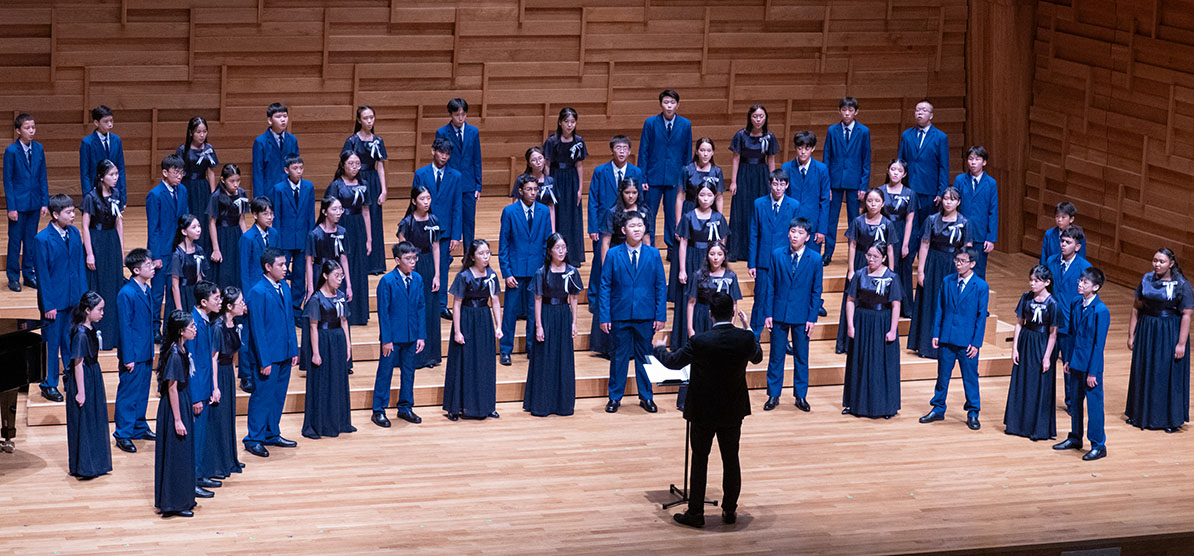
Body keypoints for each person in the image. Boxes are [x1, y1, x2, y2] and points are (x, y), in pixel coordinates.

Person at [653, 292, 761, 529]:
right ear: (732, 313)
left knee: (700, 460)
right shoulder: (744, 339)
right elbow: (758, 357)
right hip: (732, 410)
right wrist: (748, 328)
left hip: (703, 411)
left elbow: (673, 363)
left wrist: (659, 348)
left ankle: (696, 513)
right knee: (731, 460)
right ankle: (730, 510)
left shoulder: (700, 341)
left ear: (710, 313)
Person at [598, 212, 667, 414]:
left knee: (645, 357)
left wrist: (660, 315)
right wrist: (604, 316)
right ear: (623, 230)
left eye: (640, 225)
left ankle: (646, 396)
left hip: (646, 315)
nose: (637, 229)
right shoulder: (613, 254)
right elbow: (605, 286)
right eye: (632, 226)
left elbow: (660, 286)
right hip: (620, 314)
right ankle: (615, 397)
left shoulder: (653, 254)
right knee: (619, 358)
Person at [920, 246, 989, 430]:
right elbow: (940, 309)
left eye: (962, 261)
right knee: (942, 376)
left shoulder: (981, 286)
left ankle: (973, 412)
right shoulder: (947, 281)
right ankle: (938, 408)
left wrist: (976, 343)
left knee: (970, 378)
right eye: (956, 260)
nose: (958, 264)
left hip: (967, 342)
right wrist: (936, 333)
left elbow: (981, 317)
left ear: (972, 264)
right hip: (947, 338)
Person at [1125, 248, 1192, 433]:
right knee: (1144, 370)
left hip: (1169, 331)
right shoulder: (1146, 279)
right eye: (1155, 260)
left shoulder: (1181, 284)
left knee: (1165, 374)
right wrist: (1132, 334)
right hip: (1147, 329)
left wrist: (1181, 343)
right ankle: (1139, 414)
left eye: (1161, 261)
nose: (1157, 264)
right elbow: (1136, 307)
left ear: (1170, 263)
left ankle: (1169, 419)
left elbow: (1186, 314)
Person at [242, 248, 300, 458]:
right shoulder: (257, 292)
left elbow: (289, 320)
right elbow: (257, 330)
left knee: (277, 396)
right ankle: (254, 438)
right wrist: (264, 360)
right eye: (281, 265)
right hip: (268, 357)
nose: (286, 268)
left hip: (284, 352)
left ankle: (271, 432)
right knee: (262, 397)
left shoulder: (284, 286)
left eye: (285, 264)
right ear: (268, 267)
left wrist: (294, 348)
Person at [761, 218, 823, 412]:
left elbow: (816, 291)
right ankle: (773, 394)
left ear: (808, 237)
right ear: (788, 233)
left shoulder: (815, 259)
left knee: (801, 357)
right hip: (779, 313)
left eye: (800, 233)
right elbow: (770, 285)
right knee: (776, 356)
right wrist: (768, 313)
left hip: (802, 315)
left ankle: (801, 396)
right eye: (793, 231)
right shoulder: (777, 254)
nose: (795, 235)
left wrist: (812, 318)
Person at [33, 194, 87, 402]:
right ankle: (49, 383)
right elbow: (43, 275)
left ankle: (69, 377)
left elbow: (79, 266)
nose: (73, 215)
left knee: (69, 341)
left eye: (73, 211)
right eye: (68, 212)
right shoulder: (42, 239)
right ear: (55, 215)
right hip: (54, 302)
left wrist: (83, 299)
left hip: (73, 299)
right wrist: (49, 304)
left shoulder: (74, 233)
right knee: (51, 344)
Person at [907, 186, 972, 359]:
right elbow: (925, 245)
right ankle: (926, 347)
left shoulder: (965, 222)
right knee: (931, 303)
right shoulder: (932, 219)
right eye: (946, 198)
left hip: (954, 265)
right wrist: (920, 271)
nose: (948, 202)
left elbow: (967, 249)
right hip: (934, 264)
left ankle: (950, 346)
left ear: (958, 202)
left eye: (952, 199)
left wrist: (964, 271)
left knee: (951, 305)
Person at [591, 179, 652, 358]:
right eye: (627, 193)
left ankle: (636, 347)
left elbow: (647, 239)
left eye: (634, 192)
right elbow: (605, 242)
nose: (631, 196)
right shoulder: (612, 212)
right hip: (617, 259)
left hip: (638, 260)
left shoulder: (644, 211)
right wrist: (606, 267)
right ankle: (610, 346)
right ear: (621, 193)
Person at [1054, 267, 1110, 461]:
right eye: (1080, 281)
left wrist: (1093, 372)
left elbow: (1098, 344)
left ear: (1096, 287)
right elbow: (1071, 334)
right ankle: (1075, 437)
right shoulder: (1076, 302)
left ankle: (1098, 445)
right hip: (1076, 362)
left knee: (1094, 407)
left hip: (1091, 367)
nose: (1080, 284)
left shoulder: (1101, 311)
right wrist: (1068, 359)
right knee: (1075, 404)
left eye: (1085, 282)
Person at [443, 240, 503, 420]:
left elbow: (496, 302)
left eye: (488, 253)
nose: (486, 257)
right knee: (464, 363)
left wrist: (498, 326)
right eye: (481, 253)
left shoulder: (492, 275)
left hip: (484, 320)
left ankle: (487, 405)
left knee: (485, 364)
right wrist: (457, 331)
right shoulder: (464, 277)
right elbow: (457, 305)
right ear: (472, 256)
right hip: (467, 320)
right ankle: (457, 407)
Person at [525, 233, 583, 417]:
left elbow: (574, 298)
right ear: (550, 250)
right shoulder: (542, 272)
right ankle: (543, 404)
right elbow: (538, 300)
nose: (561, 251)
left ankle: (562, 405)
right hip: (548, 316)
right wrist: (539, 326)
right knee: (545, 359)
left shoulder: (572, 271)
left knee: (563, 359)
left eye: (564, 247)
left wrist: (574, 322)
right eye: (557, 247)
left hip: (564, 316)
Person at [680, 242, 741, 410]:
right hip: (702, 317)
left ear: (724, 256)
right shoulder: (698, 275)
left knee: (720, 361)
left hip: (721, 321)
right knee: (698, 359)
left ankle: (717, 399)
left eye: (719, 254)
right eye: (712, 254)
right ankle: (691, 400)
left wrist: (731, 325)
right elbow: (691, 303)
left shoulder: (731, 276)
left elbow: (734, 305)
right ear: (707, 255)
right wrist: (690, 328)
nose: (715, 258)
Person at [835, 189, 897, 353]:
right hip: (861, 260)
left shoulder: (887, 224)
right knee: (854, 301)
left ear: (883, 203)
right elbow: (852, 245)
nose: (873, 204)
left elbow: (890, 249)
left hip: (880, 264)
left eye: (877, 201)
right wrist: (851, 269)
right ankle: (848, 342)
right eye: (870, 201)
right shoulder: (858, 221)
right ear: (865, 202)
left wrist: (890, 271)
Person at [498, 175, 552, 366]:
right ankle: (505, 349)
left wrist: (545, 270)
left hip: (536, 270)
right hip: (516, 271)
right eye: (529, 189)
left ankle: (532, 348)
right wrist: (507, 272)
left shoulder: (544, 211)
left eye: (535, 189)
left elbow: (547, 242)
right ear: (520, 191)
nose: (533, 193)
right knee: (510, 312)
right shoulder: (510, 211)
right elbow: (503, 244)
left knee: (533, 311)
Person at [1004, 265, 1061, 441]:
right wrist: (1014, 348)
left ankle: (1038, 427)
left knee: (1039, 385)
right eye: (1031, 280)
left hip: (1042, 343)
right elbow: (1019, 323)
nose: (1032, 284)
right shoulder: (1026, 298)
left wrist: (1047, 357)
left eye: (1036, 281)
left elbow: (1053, 333)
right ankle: (1018, 425)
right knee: (1022, 382)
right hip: (1026, 341)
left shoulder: (1053, 304)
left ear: (1047, 282)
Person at [372, 243, 426, 427]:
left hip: (411, 336)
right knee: (385, 373)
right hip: (393, 338)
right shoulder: (387, 281)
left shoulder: (418, 278)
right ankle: (378, 409)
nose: (413, 262)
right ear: (397, 260)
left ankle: (405, 407)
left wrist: (421, 335)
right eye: (408, 259)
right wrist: (386, 340)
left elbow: (421, 307)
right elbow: (383, 313)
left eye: (414, 258)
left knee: (409, 372)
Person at [302, 260, 356, 438]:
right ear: (325, 276)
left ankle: (340, 421)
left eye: (342, 276)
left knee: (338, 381)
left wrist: (348, 345)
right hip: (323, 342)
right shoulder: (316, 299)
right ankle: (320, 424)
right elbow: (313, 327)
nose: (340, 279)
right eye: (336, 276)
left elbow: (344, 321)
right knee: (323, 382)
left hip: (338, 340)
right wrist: (316, 352)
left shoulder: (340, 296)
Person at [673, 182, 729, 350]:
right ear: (697, 196)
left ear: (714, 197)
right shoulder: (688, 216)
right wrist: (682, 269)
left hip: (713, 258)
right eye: (702, 195)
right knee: (689, 298)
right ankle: (686, 339)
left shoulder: (719, 218)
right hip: (692, 258)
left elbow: (722, 244)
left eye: (709, 195)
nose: (705, 199)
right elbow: (683, 243)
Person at [154, 310, 199, 518]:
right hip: (175, 406)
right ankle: (173, 502)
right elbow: (171, 388)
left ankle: (183, 497)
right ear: (181, 331)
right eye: (191, 327)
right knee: (176, 454)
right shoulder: (174, 354)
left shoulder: (181, 349)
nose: (194, 329)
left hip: (182, 399)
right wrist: (178, 419)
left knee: (183, 454)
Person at [588, 135, 644, 300]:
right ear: (612, 150)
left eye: (624, 148)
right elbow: (593, 200)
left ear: (630, 151)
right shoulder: (600, 171)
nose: (621, 151)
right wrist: (592, 227)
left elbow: (640, 199)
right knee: (600, 261)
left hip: (626, 222)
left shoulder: (636, 172)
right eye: (618, 148)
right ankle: (594, 297)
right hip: (603, 224)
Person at [113, 249, 158, 453]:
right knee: (128, 394)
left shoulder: (146, 289)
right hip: (133, 354)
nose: (153, 267)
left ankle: (139, 426)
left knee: (142, 393)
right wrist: (128, 357)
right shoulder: (127, 293)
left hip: (145, 351)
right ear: (137, 269)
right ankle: (123, 433)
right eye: (148, 265)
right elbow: (125, 327)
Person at [412, 138, 462, 318]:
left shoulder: (456, 176)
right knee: (421, 266)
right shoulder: (421, 173)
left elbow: (457, 206)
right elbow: (414, 200)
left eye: (447, 154)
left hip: (445, 229)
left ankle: (441, 305)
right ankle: (420, 301)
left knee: (442, 267)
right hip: (423, 227)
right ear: (433, 151)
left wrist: (456, 235)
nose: (444, 156)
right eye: (441, 152)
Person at [1045, 226, 1092, 414]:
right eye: (1062, 241)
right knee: (1046, 360)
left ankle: (1072, 402)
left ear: (1077, 246)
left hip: (1071, 323)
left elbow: (1085, 297)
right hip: (1051, 321)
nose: (1063, 245)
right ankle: (1045, 397)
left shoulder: (1084, 267)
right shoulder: (1051, 261)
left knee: (1069, 365)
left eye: (1068, 242)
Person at [639, 89, 692, 251]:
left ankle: (672, 249)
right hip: (653, 177)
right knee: (649, 215)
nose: (669, 106)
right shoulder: (650, 123)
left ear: (678, 105)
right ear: (661, 104)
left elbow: (687, 152)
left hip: (675, 177)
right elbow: (644, 151)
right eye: (666, 102)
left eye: (672, 103)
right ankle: (650, 248)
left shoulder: (685, 124)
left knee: (673, 215)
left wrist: (687, 178)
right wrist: (643, 178)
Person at [66, 291, 112, 480]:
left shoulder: (90, 329)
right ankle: (84, 466)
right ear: (87, 310)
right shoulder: (81, 334)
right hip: (83, 380)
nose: (102, 313)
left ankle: (96, 464)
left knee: (94, 420)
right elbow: (78, 363)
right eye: (99, 309)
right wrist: (81, 392)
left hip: (93, 375)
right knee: (85, 423)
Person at [821, 97, 871, 265]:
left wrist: (863, 185)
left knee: (853, 220)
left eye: (850, 110)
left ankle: (854, 254)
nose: (847, 113)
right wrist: (825, 184)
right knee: (831, 219)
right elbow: (826, 157)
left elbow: (866, 160)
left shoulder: (863, 131)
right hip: (835, 180)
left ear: (856, 112)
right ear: (839, 111)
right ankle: (828, 253)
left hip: (854, 181)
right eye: (844, 110)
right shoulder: (832, 130)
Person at [748, 170, 799, 335]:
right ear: (770, 184)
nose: (778, 187)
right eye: (775, 183)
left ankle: (781, 338)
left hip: (784, 261)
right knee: (760, 298)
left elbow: (796, 234)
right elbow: (754, 234)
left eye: (782, 184)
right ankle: (754, 335)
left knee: (782, 299)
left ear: (787, 185)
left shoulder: (794, 205)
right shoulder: (759, 203)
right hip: (763, 261)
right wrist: (752, 263)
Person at [397, 186, 443, 368]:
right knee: (412, 309)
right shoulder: (406, 223)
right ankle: (411, 356)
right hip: (412, 266)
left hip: (428, 265)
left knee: (430, 310)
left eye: (428, 198)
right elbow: (402, 252)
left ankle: (429, 356)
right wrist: (408, 272)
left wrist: (437, 274)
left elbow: (437, 248)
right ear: (414, 201)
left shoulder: (434, 220)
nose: (426, 202)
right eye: (422, 199)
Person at [81, 160, 124, 350]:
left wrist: (120, 249)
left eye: (116, 174)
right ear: (101, 177)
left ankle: (112, 336)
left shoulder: (116, 194)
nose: (115, 178)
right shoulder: (91, 197)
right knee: (98, 285)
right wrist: (89, 253)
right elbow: (85, 225)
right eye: (111, 174)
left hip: (111, 242)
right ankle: (96, 335)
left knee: (113, 285)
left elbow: (118, 223)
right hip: (97, 241)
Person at [236, 196, 278, 393]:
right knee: (248, 336)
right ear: (254, 215)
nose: (270, 217)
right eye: (265, 213)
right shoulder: (247, 238)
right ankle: (245, 375)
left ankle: (264, 367)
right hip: (253, 292)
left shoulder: (275, 234)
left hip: (270, 290)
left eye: (271, 213)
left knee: (266, 331)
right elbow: (243, 270)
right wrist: (244, 297)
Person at [726, 104, 778, 262]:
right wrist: (733, 181)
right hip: (744, 174)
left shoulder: (769, 137)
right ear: (750, 117)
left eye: (761, 116)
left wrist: (773, 182)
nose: (758, 119)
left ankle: (758, 250)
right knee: (742, 210)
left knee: (760, 211)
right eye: (755, 116)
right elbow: (736, 159)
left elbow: (771, 160)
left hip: (762, 175)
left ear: (766, 118)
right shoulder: (741, 135)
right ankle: (739, 251)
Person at [147, 154, 190, 339]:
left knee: (175, 291)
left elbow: (186, 219)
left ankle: (170, 329)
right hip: (161, 252)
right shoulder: (155, 195)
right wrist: (155, 256)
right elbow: (153, 229)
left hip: (178, 250)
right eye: (175, 172)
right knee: (157, 293)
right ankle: (154, 328)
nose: (179, 176)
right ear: (165, 173)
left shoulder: (183, 191)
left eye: (182, 172)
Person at [5, 113, 48, 292]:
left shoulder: (39, 148)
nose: (31, 131)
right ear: (18, 131)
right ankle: (13, 277)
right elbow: (8, 180)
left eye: (33, 127)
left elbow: (42, 177)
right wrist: (12, 207)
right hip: (19, 204)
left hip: (34, 203)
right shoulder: (11, 151)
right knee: (15, 242)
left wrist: (44, 202)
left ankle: (29, 275)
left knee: (31, 241)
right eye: (27, 128)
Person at [343, 105, 389, 274]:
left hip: (373, 181)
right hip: (357, 181)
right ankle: (359, 261)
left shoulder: (378, 141)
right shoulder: (352, 141)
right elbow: (345, 164)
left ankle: (375, 264)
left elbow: (381, 166)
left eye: (372, 117)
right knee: (360, 221)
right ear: (359, 120)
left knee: (375, 220)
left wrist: (383, 190)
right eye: (366, 118)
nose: (369, 121)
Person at [897, 99, 950, 242]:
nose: (920, 112)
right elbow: (900, 163)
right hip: (909, 189)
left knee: (926, 228)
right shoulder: (907, 135)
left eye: (924, 110)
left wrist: (941, 192)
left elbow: (944, 167)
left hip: (929, 190)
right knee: (909, 227)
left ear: (931, 115)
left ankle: (924, 261)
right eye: (917, 110)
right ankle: (907, 260)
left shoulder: (940, 137)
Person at [269, 156, 315, 321]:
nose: (299, 171)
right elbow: (277, 218)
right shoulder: (279, 189)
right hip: (285, 240)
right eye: (295, 168)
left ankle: (296, 310)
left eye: (301, 168)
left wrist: (311, 239)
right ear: (287, 170)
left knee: (299, 277)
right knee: (279, 274)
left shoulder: (308, 187)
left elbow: (310, 215)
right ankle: (280, 308)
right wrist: (278, 242)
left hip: (302, 239)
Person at [188, 281, 222, 494]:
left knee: (202, 438)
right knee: (196, 438)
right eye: (216, 299)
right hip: (197, 391)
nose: (220, 302)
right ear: (203, 302)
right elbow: (191, 365)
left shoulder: (206, 321)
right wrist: (196, 397)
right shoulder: (193, 325)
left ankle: (199, 475)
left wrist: (213, 387)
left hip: (206, 387)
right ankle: (192, 481)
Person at [543, 107, 588, 266]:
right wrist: (549, 185)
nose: (570, 125)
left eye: (573, 122)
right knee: (558, 215)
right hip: (556, 178)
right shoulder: (552, 141)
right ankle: (555, 254)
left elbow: (580, 165)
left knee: (572, 216)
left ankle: (573, 256)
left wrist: (580, 188)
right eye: (567, 122)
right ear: (560, 122)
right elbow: (547, 165)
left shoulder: (579, 141)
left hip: (571, 179)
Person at [208, 286, 246, 479]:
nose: (244, 305)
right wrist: (215, 387)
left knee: (228, 417)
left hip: (228, 374)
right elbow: (213, 358)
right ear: (230, 306)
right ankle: (217, 463)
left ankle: (229, 458)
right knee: (219, 419)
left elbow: (231, 356)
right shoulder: (217, 326)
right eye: (240, 303)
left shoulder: (234, 323)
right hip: (218, 375)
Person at [436, 98, 482, 247]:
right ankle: (446, 254)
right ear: (451, 114)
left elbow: (476, 159)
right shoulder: (442, 132)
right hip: (449, 183)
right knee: (449, 218)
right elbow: (439, 160)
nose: (460, 118)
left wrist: (478, 185)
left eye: (463, 114)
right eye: (457, 114)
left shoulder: (473, 131)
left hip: (468, 184)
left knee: (469, 221)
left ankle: (468, 256)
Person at [781, 131, 831, 262]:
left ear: (813, 148)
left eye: (807, 148)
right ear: (795, 148)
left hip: (813, 227)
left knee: (810, 264)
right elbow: (783, 199)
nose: (803, 152)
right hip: (792, 225)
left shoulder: (822, 169)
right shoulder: (786, 168)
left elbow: (825, 201)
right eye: (800, 148)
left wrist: (822, 230)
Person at [175, 116, 219, 253]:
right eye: (198, 132)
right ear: (191, 133)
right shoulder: (182, 150)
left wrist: (213, 193)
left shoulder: (209, 148)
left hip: (202, 187)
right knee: (188, 216)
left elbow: (211, 172)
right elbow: (179, 171)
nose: (202, 135)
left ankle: (203, 249)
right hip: (187, 186)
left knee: (204, 218)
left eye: (204, 131)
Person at [954, 146, 999, 278]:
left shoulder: (991, 183)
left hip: (980, 233)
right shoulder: (960, 180)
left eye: (977, 159)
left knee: (978, 270)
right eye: (970, 159)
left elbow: (993, 211)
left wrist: (991, 238)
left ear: (984, 162)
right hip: (960, 233)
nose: (973, 162)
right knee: (957, 268)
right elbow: (953, 205)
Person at [881, 159, 916, 318]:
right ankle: (885, 304)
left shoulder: (909, 193)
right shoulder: (880, 191)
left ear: (904, 174)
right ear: (888, 170)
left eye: (899, 170)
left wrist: (906, 244)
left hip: (901, 233)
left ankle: (906, 308)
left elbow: (909, 220)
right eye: (893, 169)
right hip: (884, 234)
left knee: (903, 271)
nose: (895, 173)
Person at [207, 163, 249, 289]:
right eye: (232, 181)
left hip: (236, 234)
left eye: (238, 180)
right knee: (224, 272)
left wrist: (246, 239)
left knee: (238, 267)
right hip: (222, 235)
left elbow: (242, 219)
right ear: (223, 180)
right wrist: (216, 249)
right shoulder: (216, 196)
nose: (236, 184)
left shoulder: (241, 193)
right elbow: (212, 223)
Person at [164, 215, 209, 330]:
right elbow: (175, 285)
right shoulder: (177, 254)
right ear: (184, 231)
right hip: (182, 294)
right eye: (194, 227)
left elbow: (200, 276)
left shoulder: (199, 250)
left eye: (199, 226)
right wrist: (180, 310)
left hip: (194, 293)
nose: (198, 229)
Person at [79, 105, 127, 206]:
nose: (110, 124)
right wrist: (88, 197)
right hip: (95, 191)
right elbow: (85, 174)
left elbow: (121, 169)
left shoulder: (116, 140)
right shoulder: (87, 143)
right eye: (106, 121)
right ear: (96, 123)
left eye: (111, 121)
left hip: (114, 192)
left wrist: (123, 197)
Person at [251, 102, 299, 198]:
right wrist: (259, 199)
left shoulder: (292, 140)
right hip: (269, 192)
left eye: (285, 116)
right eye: (278, 117)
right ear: (269, 120)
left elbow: (296, 168)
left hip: (288, 191)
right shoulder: (260, 141)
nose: (283, 120)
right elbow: (258, 172)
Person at [518, 146, 558, 229]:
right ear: (529, 164)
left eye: (540, 158)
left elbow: (551, 206)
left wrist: (553, 229)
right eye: (533, 160)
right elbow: (516, 205)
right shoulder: (521, 180)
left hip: (544, 221)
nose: (538, 162)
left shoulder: (550, 181)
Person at [1040, 201, 1086, 265]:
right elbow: (1044, 258)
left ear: (1071, 219)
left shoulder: (1079, 235)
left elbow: (1081, 258)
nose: (1059, 220)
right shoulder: (1049, 233)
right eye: (1057, 216)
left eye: (1063, 217)